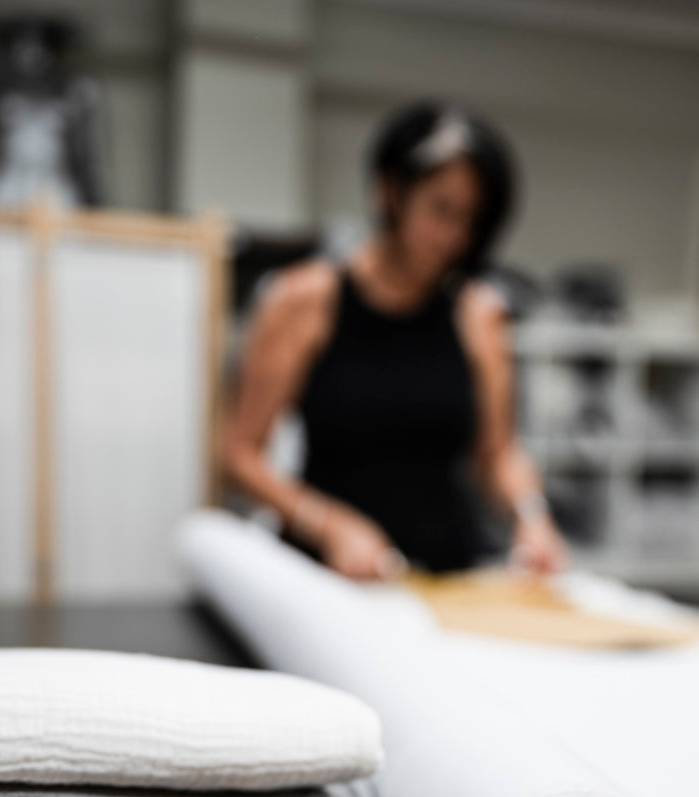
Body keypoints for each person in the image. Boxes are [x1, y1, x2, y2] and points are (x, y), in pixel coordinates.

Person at [222, 101, 567, 579]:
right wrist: (327, 524)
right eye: (440, 210)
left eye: (469, 219)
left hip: (443, 576)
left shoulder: (479, 314)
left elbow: (497, 452)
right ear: (390, 192)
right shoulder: (304, 300)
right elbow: (239, 455)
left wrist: (532, 518)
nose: (453, 236)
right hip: (327, 575)